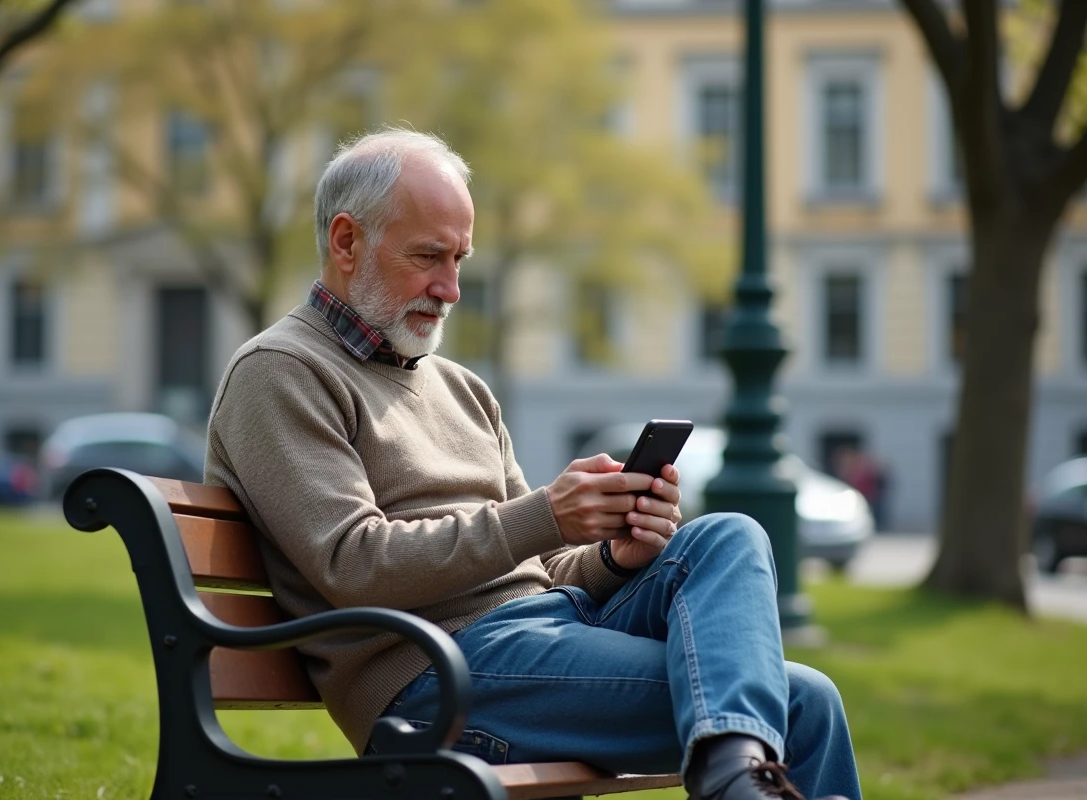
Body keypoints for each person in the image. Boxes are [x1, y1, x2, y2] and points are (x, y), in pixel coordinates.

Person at [204, 128, 861, 800]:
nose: (452, 287)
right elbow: (352, 563)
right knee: (798, 704)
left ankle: (729, 777)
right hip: (438, 678)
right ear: (346, 242)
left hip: (543, 637)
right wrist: (545, 513)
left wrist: (613, 558)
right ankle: (733, 782)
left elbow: (538, 572)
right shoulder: (282, 372)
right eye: (429, 256)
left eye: (460, 258)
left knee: (730, 543)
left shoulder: (461, 388)